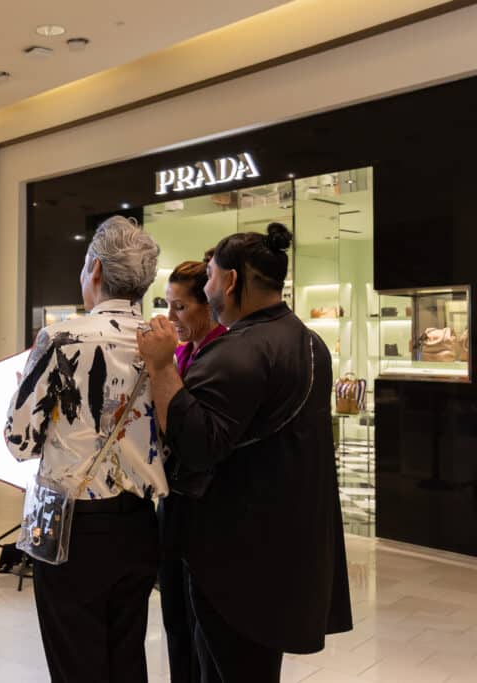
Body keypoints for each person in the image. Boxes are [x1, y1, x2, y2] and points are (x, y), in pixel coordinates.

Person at [137, 223, 352, 682]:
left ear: (231, 280)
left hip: (236, 558)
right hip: (283, 546)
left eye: (212, 277)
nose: (207, 287)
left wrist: (161, 367)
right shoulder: (309, 342)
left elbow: (197, 444)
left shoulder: (239, 351)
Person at [5, 216, 168, 683]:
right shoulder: (161, 343)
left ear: (95, 269)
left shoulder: (62, 338)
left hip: (73, 526)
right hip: (140, 523)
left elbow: (19, 440)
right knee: (127, 656)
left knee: (76, 660)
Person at [159, 257, 225, 683]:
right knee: (174, 618)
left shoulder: (223, 355)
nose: (171, 318)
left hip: (206, 505)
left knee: (201, 625)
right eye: (167, 306)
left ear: (207, 305)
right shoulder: (181, 352)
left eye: (180, 307)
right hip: (173, 497)